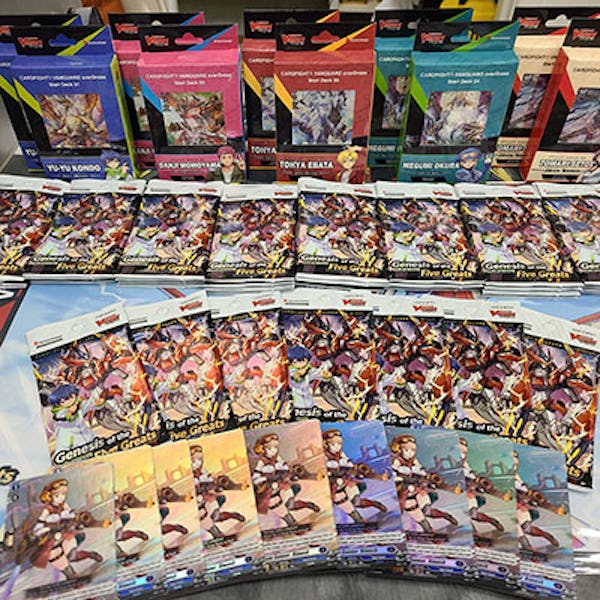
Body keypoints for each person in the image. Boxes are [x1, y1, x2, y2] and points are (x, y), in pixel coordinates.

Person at [30, 479, 102, 580]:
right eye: (57, 496)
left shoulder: (64, 505)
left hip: (66, 536)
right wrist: (48, 529)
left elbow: (72, 516)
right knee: (61, 563)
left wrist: (73, 519)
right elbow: (38, 528)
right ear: (50, 496)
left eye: (63, 494)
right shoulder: (47, 510)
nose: (61, 498)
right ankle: (73, 578)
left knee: (71, 557)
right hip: (52, 541)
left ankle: (90, 555)